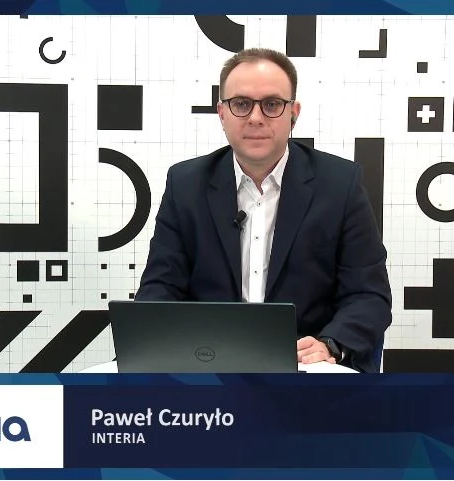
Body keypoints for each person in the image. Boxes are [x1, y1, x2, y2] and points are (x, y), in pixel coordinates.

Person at [134, 48, 392, 373]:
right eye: (241, 104)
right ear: (222, 113)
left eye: (271, 104)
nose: (256, 118)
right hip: (210, 365)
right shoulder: (185, 185)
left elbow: (369, 295)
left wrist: (329, 344)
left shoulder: (340, 184)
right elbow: (161, 288)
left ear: (293, 113)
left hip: (304, 368)